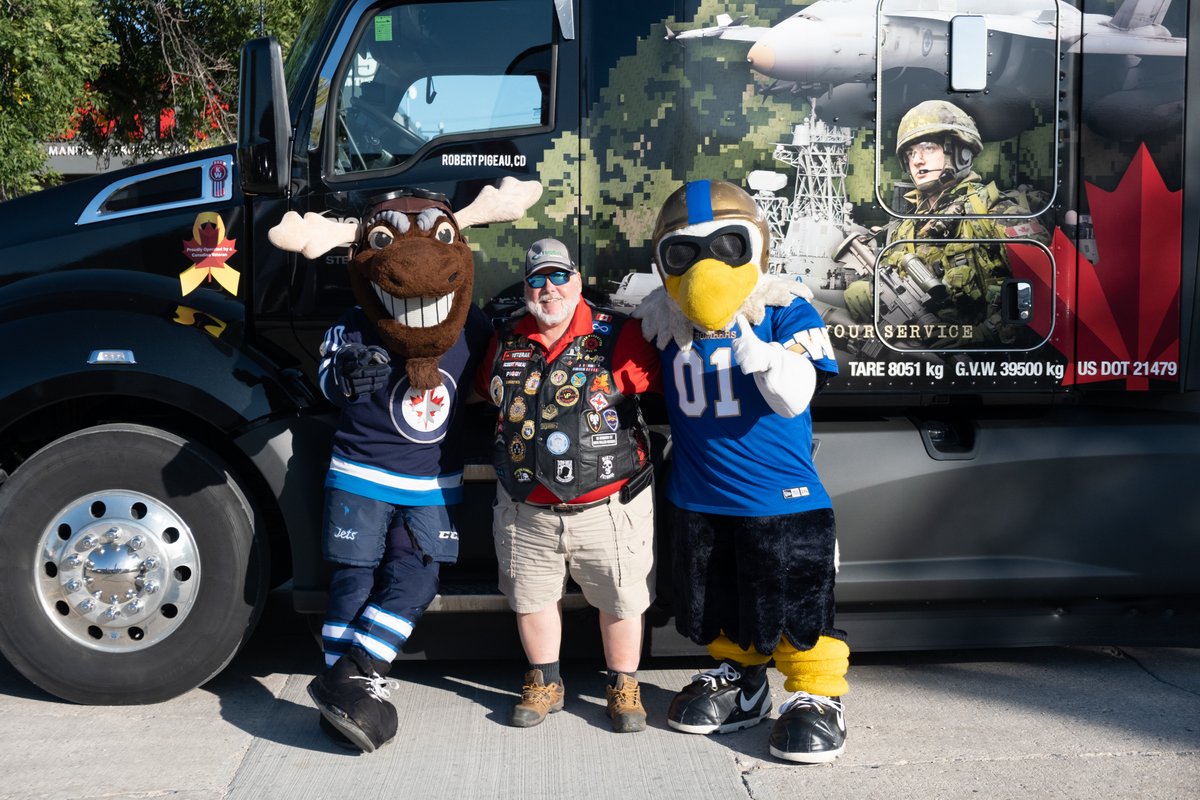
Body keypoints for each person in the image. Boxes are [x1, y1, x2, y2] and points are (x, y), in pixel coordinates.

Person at [634, 179, 847, 763]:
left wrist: (762, 355)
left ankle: (817, 692)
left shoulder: (784, 308)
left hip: (779, 497)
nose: (705, 266)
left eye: (726, 245)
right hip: (699, 495)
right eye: (684, 252)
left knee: (798, 603)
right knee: (721, 600)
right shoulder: (662, 318)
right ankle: (744, 682)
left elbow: (797, 394)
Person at [295, 191, 492, 753]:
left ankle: (349, 676)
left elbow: (495, 374)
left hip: (432, 482)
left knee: (419, 578)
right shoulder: (356, 324)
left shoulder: (472, 324)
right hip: (361, 472)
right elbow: (327, 380)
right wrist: (346, 374)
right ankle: (342, 696)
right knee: (353, 579)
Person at [477, 238, 660, 733]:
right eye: (537, 279)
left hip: (607, 504)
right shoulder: (505, 338)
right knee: (531, 596)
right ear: (526, 288)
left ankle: (623, 685)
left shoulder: (619, 334)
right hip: (526, 506)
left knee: (621, 599)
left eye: (559, 276)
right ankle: (545, 681)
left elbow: (658, 382)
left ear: (577, 281)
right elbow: (483, 391)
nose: (549, 288)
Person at [843, 99, 1048, 346]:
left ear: (961, 153)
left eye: (928, 148)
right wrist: (869, 289)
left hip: (985, 359)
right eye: (910, 153)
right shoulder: (905, 227)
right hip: (916, 353)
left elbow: (1046, 288)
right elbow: (891, 280)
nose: (917, 160)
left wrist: (985, 333)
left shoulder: (995, 213)